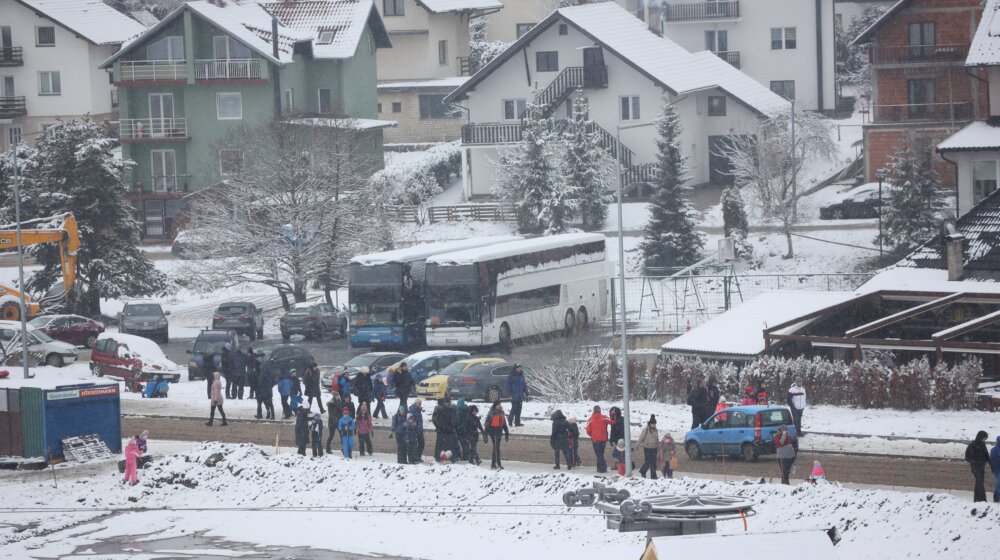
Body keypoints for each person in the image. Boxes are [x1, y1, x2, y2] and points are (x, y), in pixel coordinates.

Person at [585, 405, 613, 473]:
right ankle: (601, 468)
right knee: (601, 454)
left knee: (598, 454)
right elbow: (612, 422)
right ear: (600, 410)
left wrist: (592, 435)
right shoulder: (604, 418)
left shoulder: (590, 419)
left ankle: (601, 468)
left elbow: (587, 430)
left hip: (595, 440)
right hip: (603, 439)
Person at [965, 430, 991, 502]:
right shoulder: (972, 445)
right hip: (975, 468)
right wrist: (974, 462)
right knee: (979, 483)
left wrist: (990, 463)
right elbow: (967, 457)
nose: (984, 440)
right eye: (984, 438)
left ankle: (977, 499)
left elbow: (986, 455)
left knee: (979, 483)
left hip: (981, 467)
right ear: (981, 437)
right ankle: (982, 499)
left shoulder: (983, 445)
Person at [485, 400, 509, 469]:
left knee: (496, 448)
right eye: (498, 405)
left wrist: (506, 432)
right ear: (495, 405)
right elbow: (487, 423)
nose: (500, 406)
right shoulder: (491, 412)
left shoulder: (501, 412)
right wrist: (486, 433)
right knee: (496, 448)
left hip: (499, 432)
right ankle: (498, 464)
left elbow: (503, 423)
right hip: (493, 432)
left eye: (500, 404)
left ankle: (493, 464)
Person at [433, 398, 458, 463]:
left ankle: (453, 458)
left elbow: (455, 419)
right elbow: (435, 420)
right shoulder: (439, 409)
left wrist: (452, 426)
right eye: (445, 402)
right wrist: (440, 427)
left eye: (447, 402)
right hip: (441, 431)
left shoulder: (452, 410)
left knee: (451, 445)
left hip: (450, 431)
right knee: (439, 445)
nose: (446, 404)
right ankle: (438, 457)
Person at [636, 415, 659, 479]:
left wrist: (658, 446)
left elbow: (657, 438)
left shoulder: (656, 430)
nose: (653, 425)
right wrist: (637, 445)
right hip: (647, 448)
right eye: (652, 424)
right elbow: (641, 438)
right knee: (648, 462)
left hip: (654, 448)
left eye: (654, 424)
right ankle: (643, 471)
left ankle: (653, 476)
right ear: (650, 423)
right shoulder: (646, 430)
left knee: (653, 462)